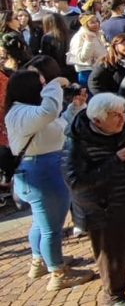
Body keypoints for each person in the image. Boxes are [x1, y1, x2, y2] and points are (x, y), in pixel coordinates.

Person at [4, 71, 94, 290]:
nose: (45, 90)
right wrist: (55, 83)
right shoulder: (21, 112)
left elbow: (59, 126)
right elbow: (50, 111)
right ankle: (57, 273)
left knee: (41, 222)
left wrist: (75, 106)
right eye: (41, 85)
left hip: (42, 170)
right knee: (51, 229)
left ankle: (39, 261)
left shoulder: (29, 112)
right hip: (42, 172)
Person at [63, 93, 125, 305]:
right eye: (116, 116)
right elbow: (75, 180)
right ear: (97, 120)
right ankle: (113, 295)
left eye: (123, 114)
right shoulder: (76, 141)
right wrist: (114, 160)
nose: (122, 120)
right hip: (100, 206)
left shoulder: (118, 126)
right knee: (109, 250)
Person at [68, 14, 107, 88]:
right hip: (87, 72)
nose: (96, 24)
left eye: (97, 21)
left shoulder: (96, 33)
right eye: (92, 22)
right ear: (85, 24)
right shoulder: (80, 36)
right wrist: (88, 42)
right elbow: (82, 58)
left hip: (99, 70)